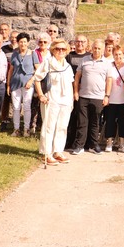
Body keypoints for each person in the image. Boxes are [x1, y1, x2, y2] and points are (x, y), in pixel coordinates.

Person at [35, 38, 74, 166]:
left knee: (62, 126)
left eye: (63, 49)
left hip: (66, 100)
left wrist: (72, 99)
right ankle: (47, 153)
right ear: (53, 50)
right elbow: (37, 79)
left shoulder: (68, 66)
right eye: (58, 49)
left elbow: (70, 84)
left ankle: (58, 151)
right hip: (51, 99)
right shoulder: (47, 63)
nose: (61, 51)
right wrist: (41, 95)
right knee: (49, 126)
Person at [72, 39, 108, 155]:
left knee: (95, 122)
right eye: (95, 48)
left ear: (102, 50)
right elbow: (77, 77)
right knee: (82, 122)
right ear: (91, 48)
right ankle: (79, 146)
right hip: (83, 96)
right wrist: (76, 92)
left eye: (99, 48)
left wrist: (107, 96)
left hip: (98, 97)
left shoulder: (107, 63)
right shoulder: (84, 60)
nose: (96, 50)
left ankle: (93, 145)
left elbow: (109, 80)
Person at [7, 32, 39, 137]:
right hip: (15, 84)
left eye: (25, 42)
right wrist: (8, 84)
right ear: (18, 42)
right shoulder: (14, 54)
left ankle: (26, 129)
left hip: (28, 84)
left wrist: (31, 80)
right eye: (21, 42)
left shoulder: (33, 54)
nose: (23, 44)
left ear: (28, 42)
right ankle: (16, 129)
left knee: (26, 106)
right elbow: (11, 70)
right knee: (16, 107)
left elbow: (38, 70)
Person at [104, 45, 124, 152]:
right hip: (112, 99)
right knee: (110, 121)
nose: (118, 56)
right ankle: (109, 142)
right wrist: (107, 96)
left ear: (123, 54)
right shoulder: (109, 66)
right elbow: (108, 82)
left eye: (120, 54)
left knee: (123, 122)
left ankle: (121, 143)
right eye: (116, 54)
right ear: (113, 55)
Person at [65, 34, 90, 148]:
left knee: (84, 118)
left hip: (86, 91)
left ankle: (84, 142)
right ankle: (69, 141)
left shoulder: (90, 56)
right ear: (74, 43)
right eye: (78, 41)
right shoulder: (69, 56)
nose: (80, 44)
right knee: (72, 117)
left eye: (83, 41)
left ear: (87, 43)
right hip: (71, 90)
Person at [29, 32, 52, 135]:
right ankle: (32, 126)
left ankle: (41, 125)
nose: (43, 43)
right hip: (37, 80)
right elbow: (37, 67)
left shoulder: (51, 53)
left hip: (48, 81)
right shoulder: (34, 52)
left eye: (45, 42)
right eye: (41, 42)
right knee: (35, 104)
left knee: (45, 103)